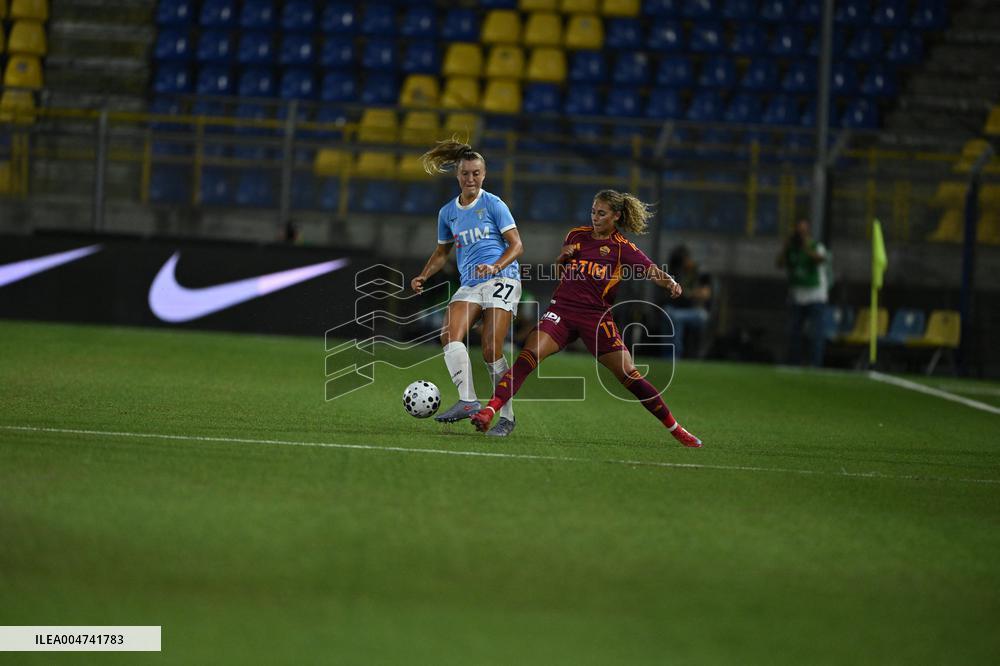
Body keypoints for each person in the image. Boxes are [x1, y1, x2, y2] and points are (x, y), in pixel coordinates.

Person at [470, 190, 703, 448]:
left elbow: (650, 270)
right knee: (529, 355)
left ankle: (676, 428)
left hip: (596, 317)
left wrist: (670, 282)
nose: (595, 217)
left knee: (629, 375)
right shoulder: (575, 235)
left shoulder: (621, 248)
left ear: (616, 216)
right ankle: (489, 411)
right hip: (562, 310)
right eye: (593, 211)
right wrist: (561, 258)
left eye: (601, 213)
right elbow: (563, 273)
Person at [410, 139, 524, 436]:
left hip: (502, 278)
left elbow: (517, 245)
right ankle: (468, 401)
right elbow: (442, 252)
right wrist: (424, 275)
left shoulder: (494, 204)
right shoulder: (447, 213)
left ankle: (506, 417)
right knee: (449, 334)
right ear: (457, 176)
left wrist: (496, 266)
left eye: (476, 173)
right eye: (465, 174)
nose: (470, 179)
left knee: (490, 349)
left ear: (484, 175)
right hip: (471, 283)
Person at [776, 218, 830, 367]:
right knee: (794, 332)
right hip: (797, 296)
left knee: (815, 333)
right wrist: (786, 247)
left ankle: (815, 364)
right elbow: (779, 264)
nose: (800, 233)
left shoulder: (816, 246)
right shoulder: (792, 248)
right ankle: (794, 363)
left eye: (803, 230)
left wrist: (806, 248)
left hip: (815, 296)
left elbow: (821, 259)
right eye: (798, 230)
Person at [664, 245, 712, 359]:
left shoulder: (699, 271)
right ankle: (666, 354)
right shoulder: (676, 272)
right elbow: (670, 293)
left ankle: (675, 355)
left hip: (698, 311)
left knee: (676, 317)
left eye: (682, 261)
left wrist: (688, 293)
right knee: (667, 312)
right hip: (678, 309)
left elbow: (705, 294)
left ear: (687, 259)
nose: (681, 265)